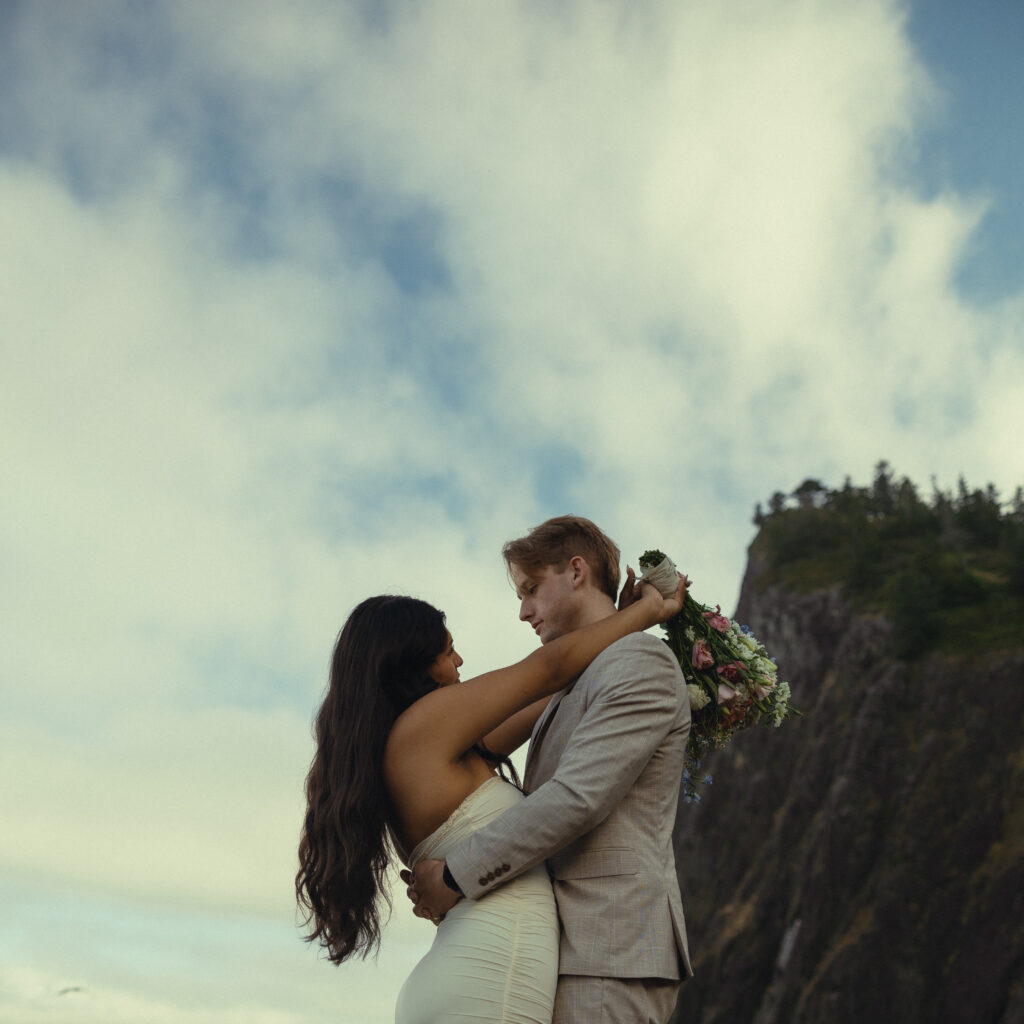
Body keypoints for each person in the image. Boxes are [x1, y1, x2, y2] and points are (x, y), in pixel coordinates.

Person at [295, 569, 686, 1024]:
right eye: (446, 651)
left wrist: (614, 620)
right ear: (410, 665)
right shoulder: (425, 727)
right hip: (490, 977)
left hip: (469, 973)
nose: (460, 660)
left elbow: (565, 688)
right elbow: (548, 670)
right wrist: (647, 612)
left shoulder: (421, 748)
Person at [407, 515, 693, 1024]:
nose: (523, 612)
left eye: (531, 589)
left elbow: (575, 799)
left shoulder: (639, 663)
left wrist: (454, 875)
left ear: (577, 572)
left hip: (608, 956)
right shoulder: (581, 679)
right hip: (571, 956)